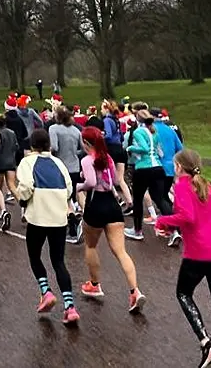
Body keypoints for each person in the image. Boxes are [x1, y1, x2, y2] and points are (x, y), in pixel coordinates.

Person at [155, 149, 211, 367]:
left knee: (183, 293)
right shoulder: (207, 186)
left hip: (197, 253)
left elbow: (187, 216)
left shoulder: (181, 186)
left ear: (179, 167)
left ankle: (206, 341)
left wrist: (163, 221)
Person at [77, 127, 145, 312]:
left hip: (95, 203)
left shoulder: (87, 160)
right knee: (121, 251)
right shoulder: (108, 158)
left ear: (86, 143)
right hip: (112, 204)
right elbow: (114, 180)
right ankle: (135, 291)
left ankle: (94, 283)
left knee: (90, 246)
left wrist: (78, 186)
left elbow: (91, 182)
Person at [16, 129, 79, 325]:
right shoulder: (58, 162)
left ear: (32, 146)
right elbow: (69, 188)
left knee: (35, 256)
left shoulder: (27, 162)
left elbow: (25, 185)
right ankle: (70, 306)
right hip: (58, 217)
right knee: (58, 261)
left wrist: (22, 199)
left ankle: (46, 291)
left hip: (37, 216)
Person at [124, 110, 169, 241]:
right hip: (158, 167)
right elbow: (160, 152)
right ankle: (175, 229)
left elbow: (143, 148)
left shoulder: (138, 132)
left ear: (138, 119)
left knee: (137, 199)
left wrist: (130, 148)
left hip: (143, 168)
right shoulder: (154, 132)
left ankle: (137, 231)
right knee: (160, 199)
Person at [49, 107, 84, 244]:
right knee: (70, 196)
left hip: (60, 166)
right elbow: (81, 148)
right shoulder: (76, 130)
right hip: (74, 166)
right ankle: (74, 218)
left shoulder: (53, 129)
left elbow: (54, 147)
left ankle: (72, 222)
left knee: (62, 198)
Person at [153, 107, 185, 247]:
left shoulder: (152, 131)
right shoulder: (169, 130)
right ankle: (175, 223)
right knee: (164, 196)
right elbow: (180, 148)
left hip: (158, 167)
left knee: (159, 197)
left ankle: (175, 229)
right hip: (171, 168)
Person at [0, 114, 20, 220]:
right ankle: (23, 206)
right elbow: (16, 146)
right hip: (11, 162)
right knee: (12, 186)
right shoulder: (12, 133)